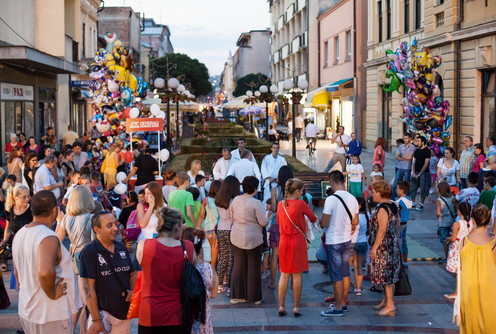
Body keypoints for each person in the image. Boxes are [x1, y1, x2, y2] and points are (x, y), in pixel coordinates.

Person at [12, 191, 76, 333]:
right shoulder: (47, 237)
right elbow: (45, 271)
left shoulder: (21, 233)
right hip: (50, 314)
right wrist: (52, 293)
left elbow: (17, 274)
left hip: (28, 309)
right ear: (55, 210)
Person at [136, 207, 196, 333]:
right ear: (177, 226)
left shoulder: (143, 246)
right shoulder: (188, 247)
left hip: (150, 314)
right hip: (179, 313)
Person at [80, 212, 137, 334]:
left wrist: (132, 289)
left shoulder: (121, 247)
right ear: (97, 230)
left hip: (124, 314)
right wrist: (96, 320)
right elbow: (88, 289)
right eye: (110, 225)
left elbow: (132, 273)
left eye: (115, 224)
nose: (116, 228)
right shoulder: (89, 252)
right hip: (102, 313)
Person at [320, 171, 359, 317]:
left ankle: (337, 307)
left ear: (332, 181)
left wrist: (320, 222)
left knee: (336, 275)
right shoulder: (353, 198)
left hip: (334, 241)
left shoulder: (331, 199)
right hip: (346, 239)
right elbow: (355, 222)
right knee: (345, 273)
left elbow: (324, 222)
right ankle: (343, 302)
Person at [276, 178, 317, 317]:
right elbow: (313, 218)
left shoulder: (280, 204)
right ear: (298, 191)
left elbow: (278, 221)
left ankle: (281, 306)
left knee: (284, 274)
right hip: (297, 240)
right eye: (302, 190)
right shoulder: (301, 204)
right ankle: (296, 307)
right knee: (297, 274)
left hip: (283, 240)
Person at [229, 176, 268, 304]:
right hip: (253, 238)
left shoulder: (235, 200)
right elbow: (263, 222)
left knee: (238, 266)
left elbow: (231, 216)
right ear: (256, 188)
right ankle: (254, 297)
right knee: (253, 267)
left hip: (236, 237)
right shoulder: (256, 203)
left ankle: (237, 296)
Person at [459, 204, 496, 333]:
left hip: (468, 295)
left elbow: (462, 267)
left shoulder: (463, 242)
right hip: (490, 295)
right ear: (490, 220)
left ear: (472, 220)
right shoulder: (493, 245)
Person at [368, 180, 401, 317]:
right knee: (391, 275)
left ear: (380, 193)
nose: (372, 194)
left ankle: (390, 306)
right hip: (392, 242)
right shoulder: (393, 205)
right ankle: (386, 300)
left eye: (374, 191)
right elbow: (397, 224)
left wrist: (374, 248)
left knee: (386, 276)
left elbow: (382, 229)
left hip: (384, 246)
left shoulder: (382, 208)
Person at [182, 227, 218, 334]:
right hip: (203, 322)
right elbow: (213, 294)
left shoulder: (181, 267)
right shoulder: (209, 268)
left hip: (184, 322)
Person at [268, 166, 294, 290]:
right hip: (291, 225)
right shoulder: (294, 191)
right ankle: (294, 281)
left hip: (277, 223)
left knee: (275, 255)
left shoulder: (275, 190)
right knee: (291, 255)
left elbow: (273, 209)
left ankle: (273, 282)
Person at [214, 176, 241, 294]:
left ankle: (219, 284)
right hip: (231, 229)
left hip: (220, 229)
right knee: (231, 258)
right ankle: (230, 285)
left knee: (223, 257)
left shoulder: (218, 199)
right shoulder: (233, 201)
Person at [444, 202, 472, 300]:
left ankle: (457, 292)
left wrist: (448, 239)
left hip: (457, 247)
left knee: (458, 272)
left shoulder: (457, 224)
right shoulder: (471, 223)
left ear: (459, 211)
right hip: (467, 246)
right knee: (464, 270)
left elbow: (453, 238)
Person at [198, 180, 221, 270]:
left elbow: (201, 215)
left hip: (208, 227)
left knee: (213, 248)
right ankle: (213, 268)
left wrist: (198, 227)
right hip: (218, 227)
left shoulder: (206, 200)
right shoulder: (221, 201)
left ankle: (213, 267)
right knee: (216, 249)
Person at [2, 184, 33, 253]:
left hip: (30, 247)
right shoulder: (9, 209)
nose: (27, 199)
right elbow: (8, 227)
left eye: (28, 195)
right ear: (15, 197)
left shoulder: (32, 210)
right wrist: (4, 242)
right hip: (16, 246)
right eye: (24, 197)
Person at [351, 197, 369, 296]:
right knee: (359, 267)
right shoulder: (367, 216)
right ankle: (358, 288)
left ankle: (344, 286)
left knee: (347, 266)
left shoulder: (354, 217)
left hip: (352, 243)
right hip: (363, 242)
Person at [392, 133, 417, 199]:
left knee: (406, 185)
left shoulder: (412, 147)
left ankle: (406, 199)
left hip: (407, 168)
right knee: (395, 184)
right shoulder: (401, 146)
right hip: (399, 167)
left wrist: (401, 156)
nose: (405, 140)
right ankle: (393, 199)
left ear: (410, 139)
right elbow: (396, 156)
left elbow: (409, 157)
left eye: (406, 138)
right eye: (404, 138)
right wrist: (403, 157)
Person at [436, 182, 456, 263]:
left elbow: (438, 213)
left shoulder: (439, 200)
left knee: (445, 241)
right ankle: (452, 256)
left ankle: (447, 258)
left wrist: (440, 214)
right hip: (452, 222)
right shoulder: (453, 198)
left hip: (443, 223)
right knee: (452, 239)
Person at [410, 135, 431, 211]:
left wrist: (419, 174)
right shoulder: (417, 150)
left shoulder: (427, 151)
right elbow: (413, 161)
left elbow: (426, 163)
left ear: (423, 142)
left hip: (424, 172)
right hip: (415, 171)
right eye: (416, 141)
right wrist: (413, 172)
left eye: (419, 141)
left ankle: (421, 203)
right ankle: (413, 202)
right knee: (412, 186)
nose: (417, 143)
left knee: (423, 188)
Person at [395, 181, 412, 268]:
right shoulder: (409, 199)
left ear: (401, 190)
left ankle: (400, 262)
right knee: (404, 243)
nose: (396, 190)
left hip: (400, 224)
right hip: (405, 224)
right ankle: (405, 261)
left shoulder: (400, 202)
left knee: (399, 244)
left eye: (397, 188)